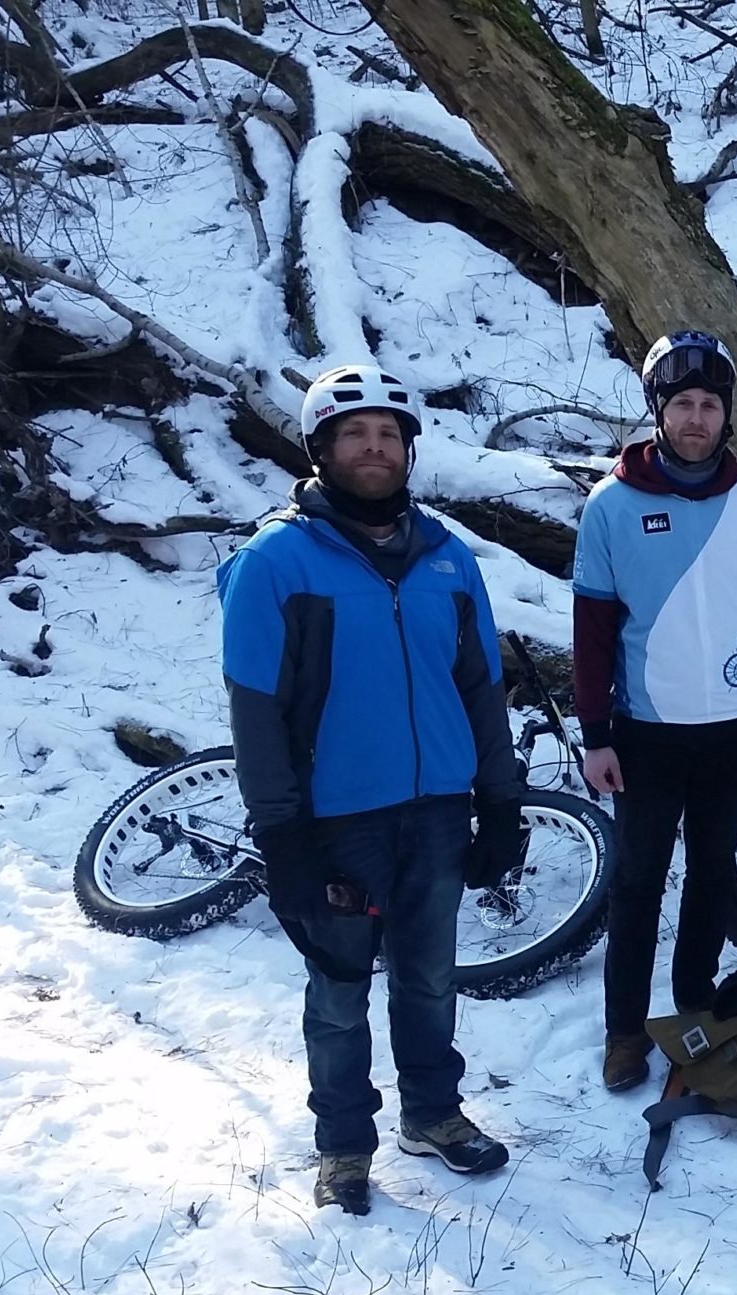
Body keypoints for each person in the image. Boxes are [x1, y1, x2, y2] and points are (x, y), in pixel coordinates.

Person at [219, 365, 527, 1216]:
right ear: (320, 448)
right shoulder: (275, 561)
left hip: (437, 813)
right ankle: (345, 1146)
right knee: (339, 992)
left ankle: (433, 1115)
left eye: (389, 434)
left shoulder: (448, 559)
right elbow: (256, 711)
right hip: (335, 822)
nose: (375, 447)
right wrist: (282, 835)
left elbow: (480, 690)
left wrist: (500, 801)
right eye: (354, 433)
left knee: (429, 979)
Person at [571, 330, 737, 1094]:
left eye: (708, 404)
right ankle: (624, 1032)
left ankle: (695, 1006)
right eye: (682, 405)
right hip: (646, 733)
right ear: (657, 411)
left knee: (712, 874)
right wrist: (595, 733)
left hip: (736, 729)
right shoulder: (611, 505)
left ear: (726, 412)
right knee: (637, 881)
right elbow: (592, 631)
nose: (696, 418)